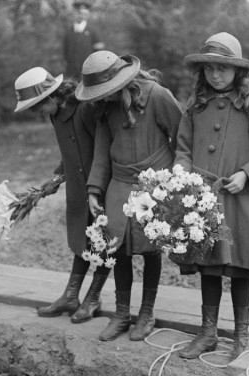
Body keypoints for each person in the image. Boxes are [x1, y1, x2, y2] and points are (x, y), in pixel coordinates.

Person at [172, 32, 249, 360]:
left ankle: (240, 335)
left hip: (238, 199)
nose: (215, 74)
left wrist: (246, 174)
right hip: (202, 200)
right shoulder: (195, 107)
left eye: (222, 68)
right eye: (209, 68)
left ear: (238, 72)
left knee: (238, 266)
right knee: (209, 264)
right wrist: (181, 170)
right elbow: (182, 148)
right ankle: (207, 333)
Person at [76, 50, 182, 342]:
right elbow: (101, 151)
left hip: (155, 184)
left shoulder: (158, 96)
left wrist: (173, 177)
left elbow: (182, 135)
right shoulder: (105, 109)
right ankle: (122, 314)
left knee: (151, 248)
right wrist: (95, 189)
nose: (101, 97)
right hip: (119, 184)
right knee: (117, 249)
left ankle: (146, 314)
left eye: (103, 91)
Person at [13, 66, 110, 323]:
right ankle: (70, 295)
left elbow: (103, 146)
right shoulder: (55, 114)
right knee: (82, 239)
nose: (37, 114)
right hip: (79, 186)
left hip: (102, 184)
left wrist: (98, 186)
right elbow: (69, 150)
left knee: (105, 243)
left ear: (52, 97)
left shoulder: (84, 108)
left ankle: (93, 297)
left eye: (37, 107)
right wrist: (57, 176)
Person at [62, 1, 105, 79]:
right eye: (79, 13)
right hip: (71, 72)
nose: (81, 16)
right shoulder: (69, 31)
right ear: (75, 14)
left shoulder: (93, 31)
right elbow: (65, 51)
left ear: (87, 15)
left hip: (88, 71)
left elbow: (99, 52)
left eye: (84, 14)